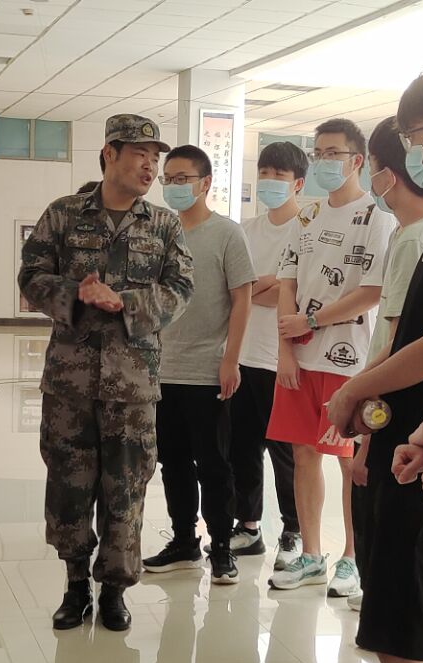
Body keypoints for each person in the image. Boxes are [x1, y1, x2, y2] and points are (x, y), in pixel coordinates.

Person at [19, 113, 192, 632]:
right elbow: (30, 276)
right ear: (109, 154)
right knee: (69, 485)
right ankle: (75, 584)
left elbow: (180, 289)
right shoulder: (64, 214)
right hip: (70, 382)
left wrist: (126, 302)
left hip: (133, 385)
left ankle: (114, 590)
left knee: (127, 490)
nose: (150, 166)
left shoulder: (164, 225)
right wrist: (75, 294)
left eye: (155, 158)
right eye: (140, 154)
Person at [314, 118, 423, 663]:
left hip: (397, 431)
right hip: (417, 428)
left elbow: (394, 346)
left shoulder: (414, 237)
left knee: (396, 593)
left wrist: (364, 422)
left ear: (385, 174)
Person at [267, 118, 398, 591]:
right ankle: (310, 554)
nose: (323, 161)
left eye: (332, 153)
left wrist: (312, 322)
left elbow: (371, 292)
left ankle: (351, 557)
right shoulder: (307, 216)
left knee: (347, 460)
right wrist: (286, 349)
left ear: (356, 161)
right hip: (300, 360)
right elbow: (287, 282)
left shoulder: (378, 217)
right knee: (303, 454)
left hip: (350, 359)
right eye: (318, 153)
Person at [142, 145, 256, 585]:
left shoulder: (227, 234)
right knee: (172, 462)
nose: (173, 186)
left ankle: (221, 548)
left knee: (214, 464)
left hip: (209, 370)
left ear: (205, 183)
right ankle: (184, 541)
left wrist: (231, 359)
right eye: (167, 179)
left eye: (182, 179)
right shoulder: (158, 233)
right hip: (161, 369)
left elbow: (242, 298)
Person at [229, 142, 309, 570]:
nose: (270, 181)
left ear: (298, 183)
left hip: (283, 361)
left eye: (279, 175)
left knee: (286, 455)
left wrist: (265, 287)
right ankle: (248, 526)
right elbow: (235, 290)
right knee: (242, 448)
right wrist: (272, 285)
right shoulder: (245, 231)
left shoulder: (308, 228)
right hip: (244, 356)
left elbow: (296, 291)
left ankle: (293, 531)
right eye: (264, 173)